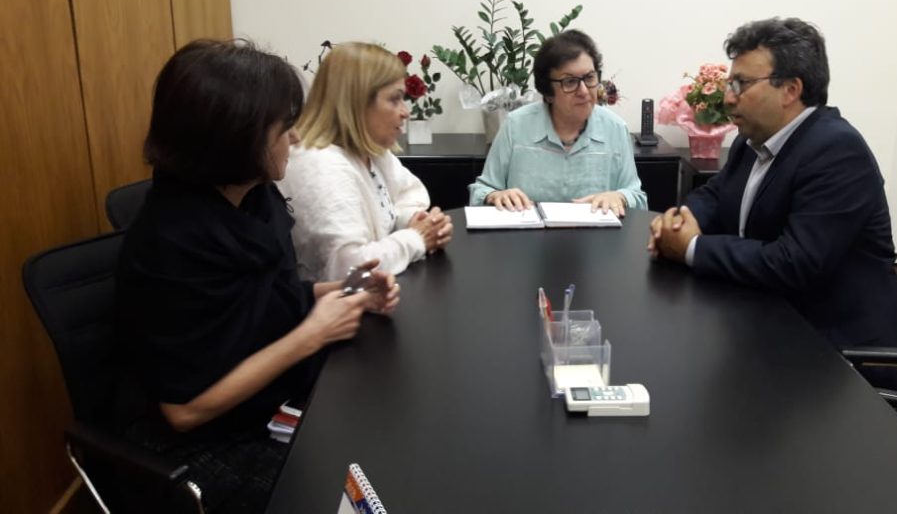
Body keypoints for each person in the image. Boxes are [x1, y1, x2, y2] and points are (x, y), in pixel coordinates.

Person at [116, 39, 400, 514]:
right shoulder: (171, 243)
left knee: (388, 438)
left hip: (264, 406)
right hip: (200, 447)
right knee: (362, 488)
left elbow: (263, 299)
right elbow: (184, 411)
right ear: (234, 137)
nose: (296, 138)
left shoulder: (252, 197)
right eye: (284, 127)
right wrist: (313, 334)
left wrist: (344, 290)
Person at [648, 17, 897, 352]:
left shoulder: (837, 151)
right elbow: (715, 194)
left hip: (829, 352)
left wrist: (691, 248)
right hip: (761, 322)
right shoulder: (752, 139)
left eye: (741, 84)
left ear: (790, 90)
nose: (728, 99)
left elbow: (794, 263)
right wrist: (681, 220)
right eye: (730, 83)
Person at [278, 42, 453, 278]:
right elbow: (348, 268)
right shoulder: (320, 166)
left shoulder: (370, 151)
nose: (406, 112)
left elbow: (407, 194)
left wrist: (413, 220)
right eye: (394, 99)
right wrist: (417, 238)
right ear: (357, 103)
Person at [468, 29, 647, 216]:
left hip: (597, 234)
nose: (584, 91)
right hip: (527, 233)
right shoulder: (516, 126)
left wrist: (620, 197)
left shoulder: (615, 128)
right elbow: (481, 191)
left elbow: (638, 198)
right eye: (570, 82)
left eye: (589, 78)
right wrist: (495, 195)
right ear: (548, 92)